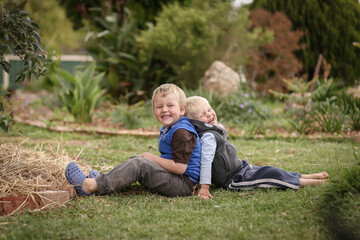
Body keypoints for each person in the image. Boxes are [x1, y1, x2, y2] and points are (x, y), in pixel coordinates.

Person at [65, 84, 201, 197]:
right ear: (153, 110)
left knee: (140, 164)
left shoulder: (182, 132)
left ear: (182, 110)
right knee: (136, 159)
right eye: (159, 107)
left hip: (184, 185)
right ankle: (101, 183)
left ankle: (90, 186)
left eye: (170, 106)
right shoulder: (173, 127)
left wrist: (152, 158)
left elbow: (179, 167)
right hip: (177, 179)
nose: (164, 110)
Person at [185, 96, 329, 199]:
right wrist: (204, 188)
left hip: (242, 168)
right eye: (203, 115)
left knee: (270, 169)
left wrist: (216, 126)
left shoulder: (212, 130)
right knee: (271, 175)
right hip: (234, 179)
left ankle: (304, 176)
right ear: (196, 123)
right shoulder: (208, 137)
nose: (210, 114)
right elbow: (206, 162)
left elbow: (221, 135)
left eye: (209, 109)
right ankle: (309, 183)